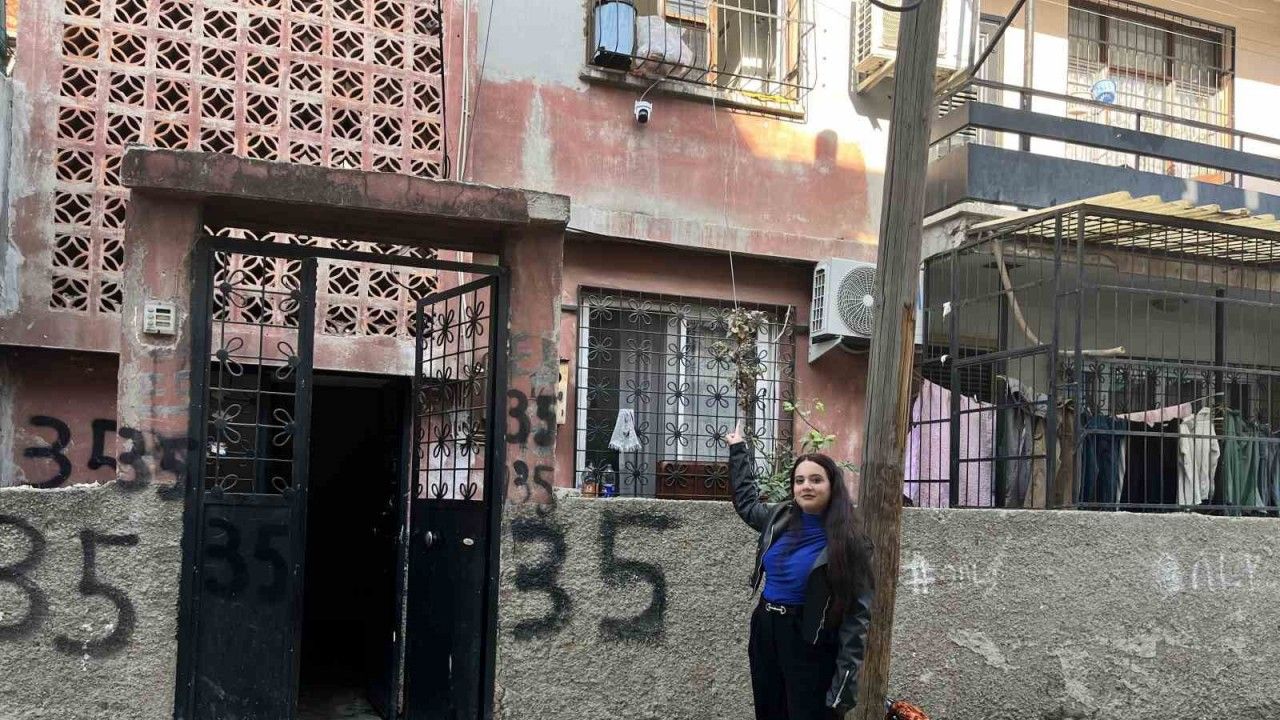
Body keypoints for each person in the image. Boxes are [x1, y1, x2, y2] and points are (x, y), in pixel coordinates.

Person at [725, 423, 875, 720]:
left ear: (832, 486)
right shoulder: (779, 517)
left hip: (810, 634)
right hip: (767, 627)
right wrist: (738, 449)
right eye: (799, 480)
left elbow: (858, 615)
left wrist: (846, 680)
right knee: (770, 711)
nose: (806, 486)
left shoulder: (850, 541)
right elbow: (747, 504)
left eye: (816, 480)